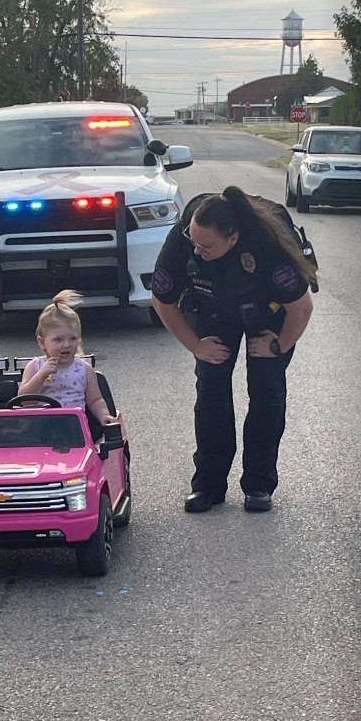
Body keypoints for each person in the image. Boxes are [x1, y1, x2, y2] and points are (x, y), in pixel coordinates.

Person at [151, 185, 317, 514]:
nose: (197, 251)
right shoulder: (185, 238)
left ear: (233, 240)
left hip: (268, 315)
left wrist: (278, 344)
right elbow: (162, 301)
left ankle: (258, 484)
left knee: (267, 391)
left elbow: (302, 309)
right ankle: (208, 486)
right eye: (193, 241)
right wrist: (196, 345)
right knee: (211, 389)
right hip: (211, 310)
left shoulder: (267, 244)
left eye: (207, 246)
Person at [18, 289, 116, 427]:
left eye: (73, 338)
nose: (66, 345)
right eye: (58, 339)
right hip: (39, 429)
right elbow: (25, 401)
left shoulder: (84, 369)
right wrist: (41, 376)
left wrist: (104, 415)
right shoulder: (35, 367)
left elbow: (95, 400)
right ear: (42, 342)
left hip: (75, 431)